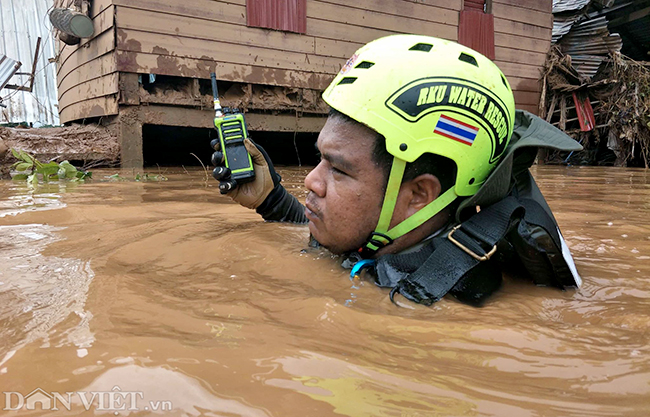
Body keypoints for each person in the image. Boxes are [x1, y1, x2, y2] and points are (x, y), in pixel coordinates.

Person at [212, 34, 582, 306]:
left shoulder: (450, 300)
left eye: (338, 170)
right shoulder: (397, 237)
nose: (311, 180)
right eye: (322, 158)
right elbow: (347, 241)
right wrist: (273, 201)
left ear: (419, 195)